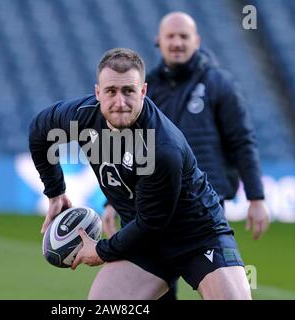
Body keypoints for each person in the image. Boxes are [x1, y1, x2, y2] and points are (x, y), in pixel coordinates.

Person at [29, 47, 251, 299]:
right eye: (111, 91)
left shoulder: (162, 147)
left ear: (143, 91)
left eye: (128, 91)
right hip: (143, 242)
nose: (119, 102)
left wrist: (101, 250)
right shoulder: (81, 115)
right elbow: (40, 131)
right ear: (97, 92)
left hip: (197, 236)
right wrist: (56, 192)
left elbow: (152, 222)